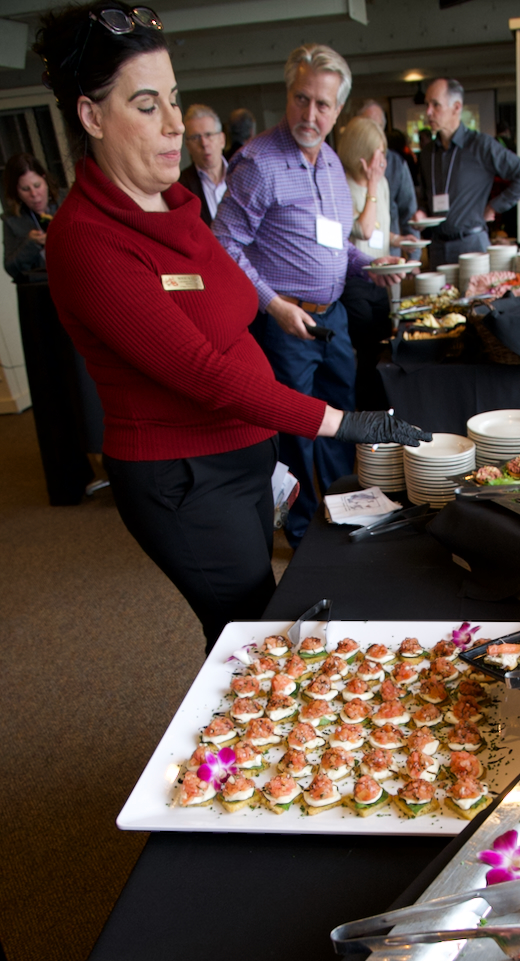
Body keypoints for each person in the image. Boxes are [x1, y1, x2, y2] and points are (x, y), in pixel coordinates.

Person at [35, 4, 428, 651]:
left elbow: (233, 301)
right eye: (144, 105)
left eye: (173, 99)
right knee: (253, 638)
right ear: (91, 115)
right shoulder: (86, 240)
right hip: (185, 479)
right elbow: (204, 374)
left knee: (261, 626)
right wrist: (342, 419)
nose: (172, 126)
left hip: (244, 456)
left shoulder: (176, 206)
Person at [213, 42, 408, 547]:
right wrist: (271, 304)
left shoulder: (330, 166)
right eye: (301, 99)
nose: (310, 113)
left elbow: (334, 241)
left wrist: (370, 265)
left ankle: (349, 516)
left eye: (322, 104)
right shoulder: (257, 161)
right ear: (289, 94)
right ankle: (302, 540)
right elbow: (222, 242)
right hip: (283, 324)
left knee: (341, 422)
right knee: (297, 430)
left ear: (338, 109)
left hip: (333, 319)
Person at [3, 152, 103, 505]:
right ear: (17, 193)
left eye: (38, 185)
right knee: (59, 388)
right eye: (26, 189)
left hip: (78, 300)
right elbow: (11, 267)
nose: (35, 194)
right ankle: (75, 471)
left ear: (47, 182)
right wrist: (32, 243)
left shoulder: (67, 206)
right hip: (41, 312)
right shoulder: (15, 224)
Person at [413, 78, 520, 267]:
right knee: (435, 298)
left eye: (435, 105)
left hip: (471, 244)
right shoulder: (428, 153)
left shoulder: (480, 145)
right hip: (437, 246)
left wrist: (494, 206)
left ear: (456, 107)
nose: (428, 112)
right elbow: (425, 194)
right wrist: (421, 212)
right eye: (427, 105)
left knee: (475, 297)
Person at [337, 115, 416, 408]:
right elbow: (364, 230)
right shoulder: (344, 185)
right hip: (356, 280)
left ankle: (386, 408)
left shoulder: (381, 184)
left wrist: (399, 240)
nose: (382, 161)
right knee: (368, 352)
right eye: (378, 153)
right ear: (361, 155)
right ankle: (368, 415)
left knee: (385, 345)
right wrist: (371, 185)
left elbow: (380, 230)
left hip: (381, 278)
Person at [356, 99, 417, 243]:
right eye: (369, 126)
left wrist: (413, 256)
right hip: (358, 252)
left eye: (378, 127)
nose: (374, 132)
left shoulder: (395, 164)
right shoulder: (347, 166)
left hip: (389, 252)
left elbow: (408, 210)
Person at [179, 103, 227, 225]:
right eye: (195, 137)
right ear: (188, 146)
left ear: (222, 140)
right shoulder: (181, 187)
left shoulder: (243, 174)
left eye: (208, 135)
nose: (204, 143)